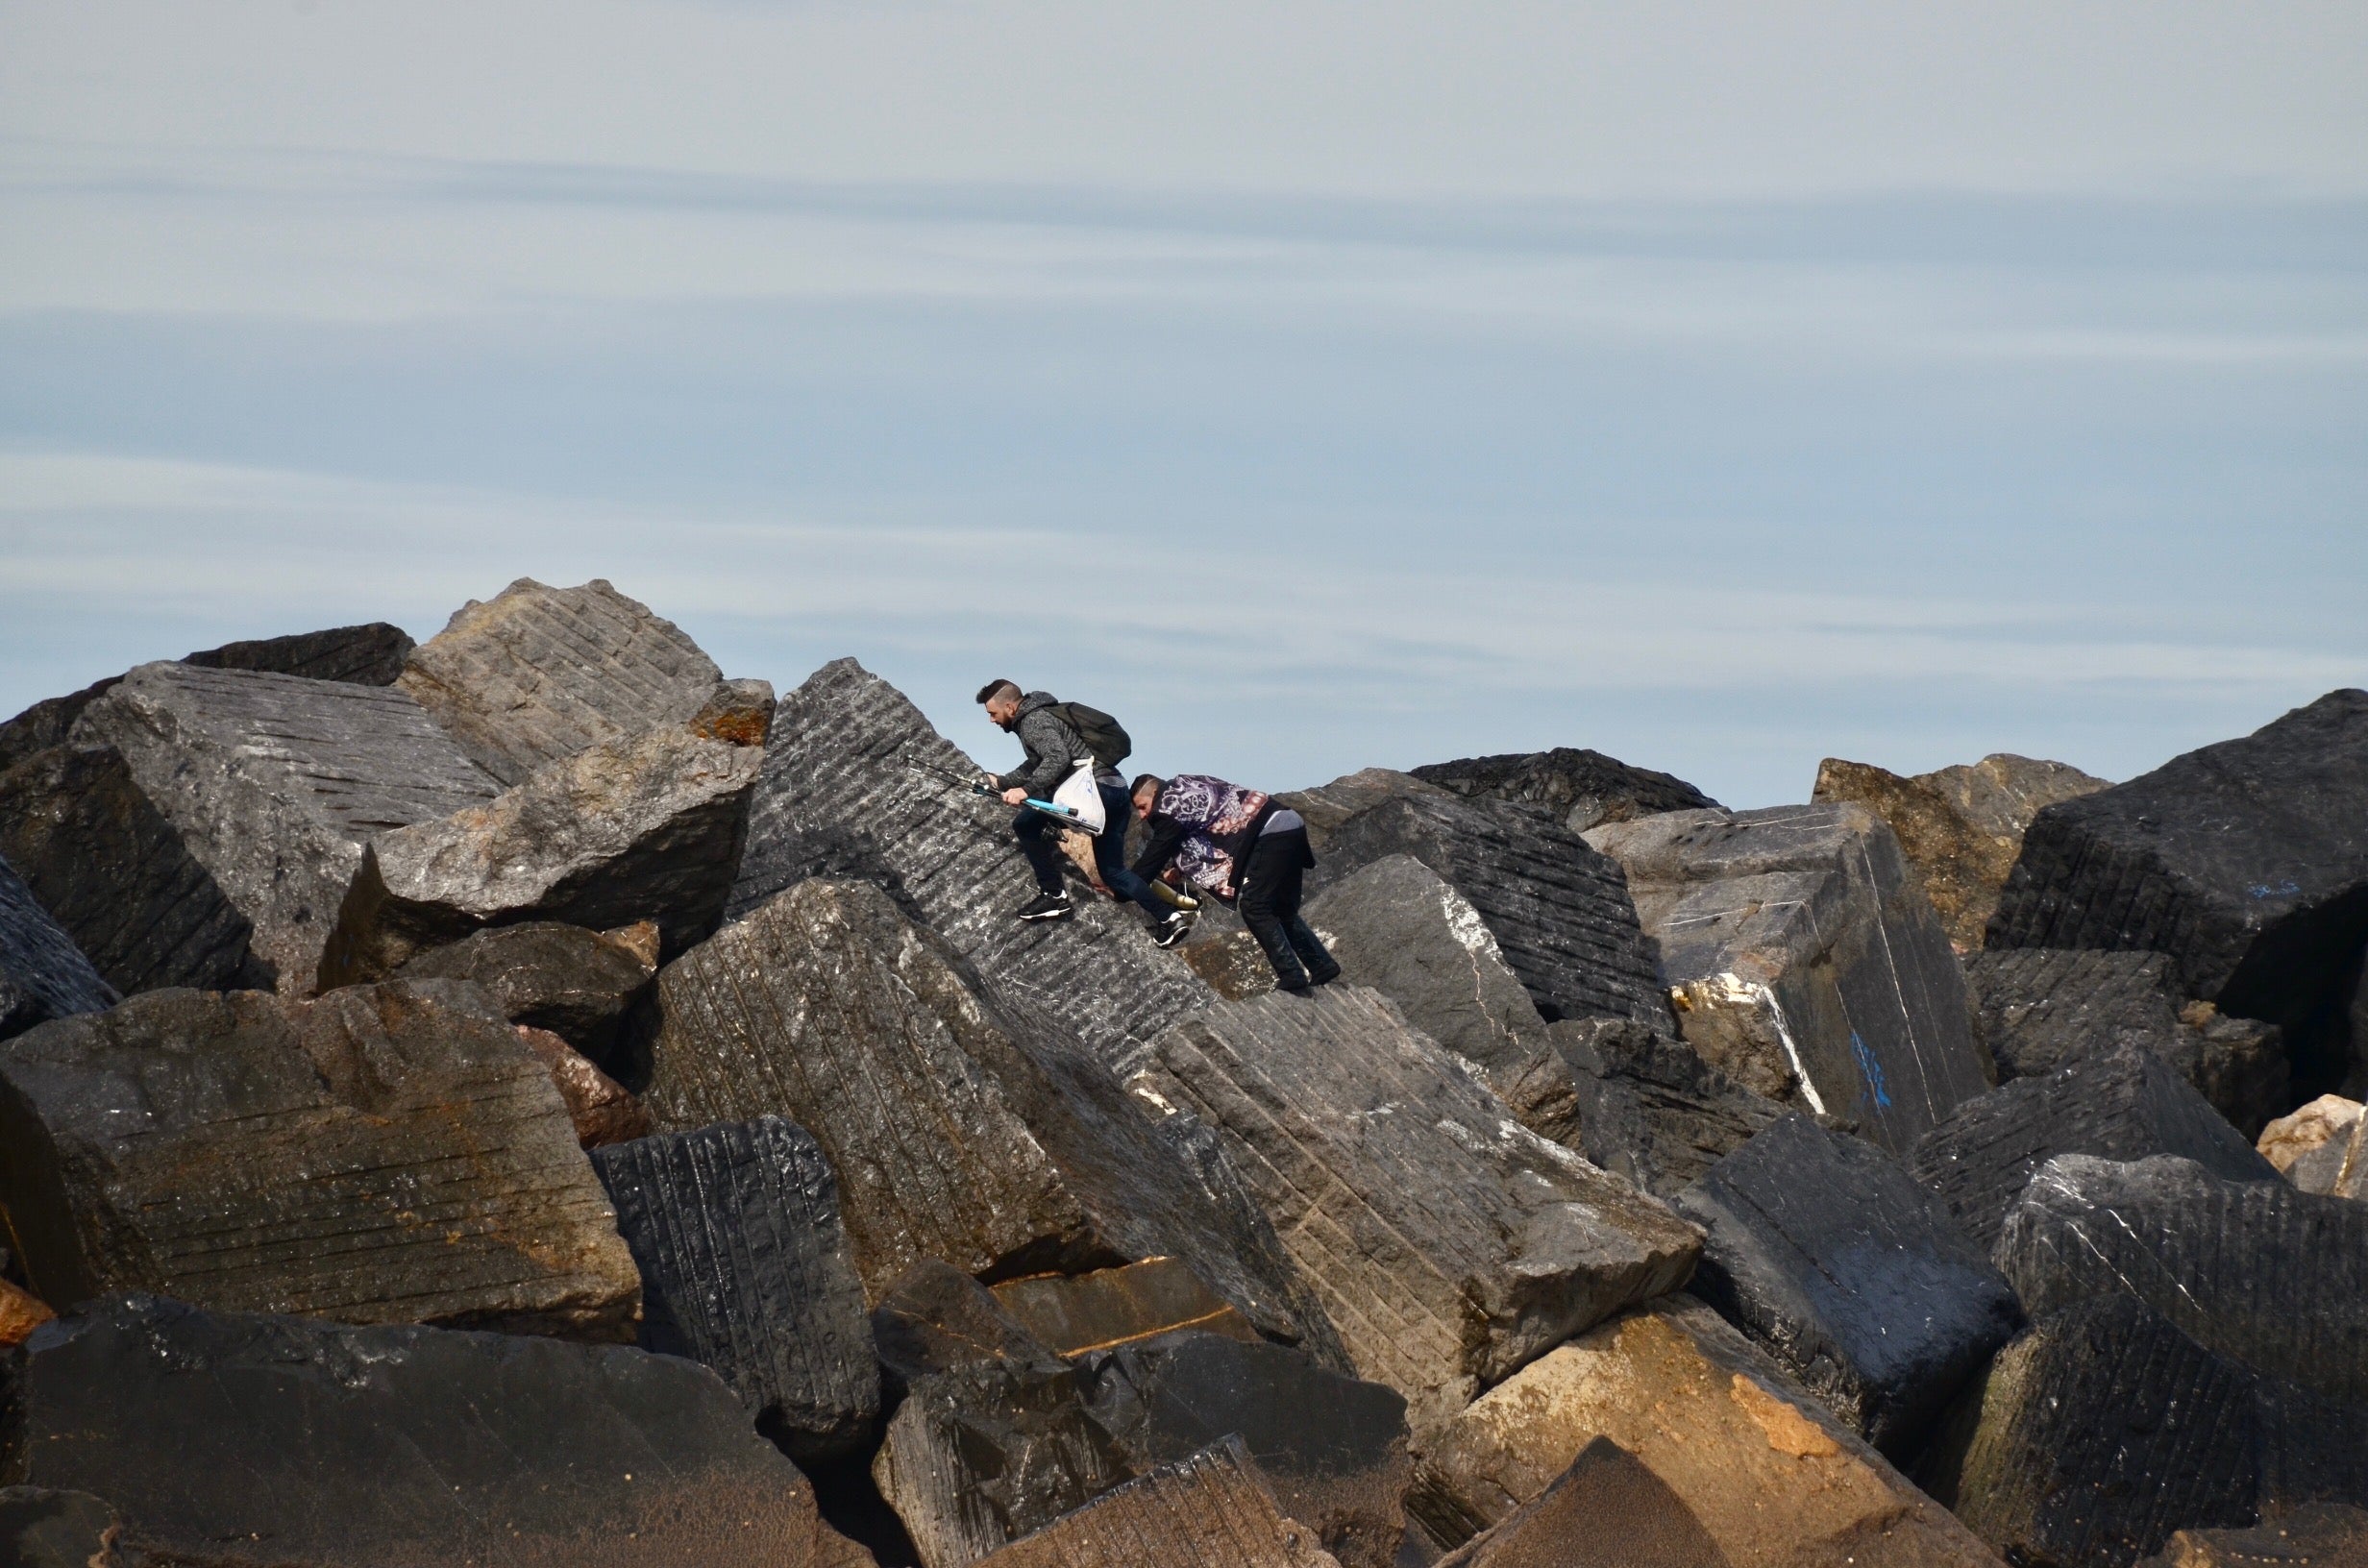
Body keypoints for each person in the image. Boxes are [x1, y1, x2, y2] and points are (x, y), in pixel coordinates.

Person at [976, 678, 1170, 926]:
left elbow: (1057, 758)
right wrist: (1003, 782)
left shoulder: (1032, 721)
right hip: (1116, 791)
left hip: (1094, 794)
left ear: (1010, 708)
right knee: (1113, 872)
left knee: (1026, 824)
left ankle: (1054, 896)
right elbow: (1036, 763)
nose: (992, 720)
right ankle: (1170, 918)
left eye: (993, 713)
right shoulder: (1043, 715)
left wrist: (1025, 790)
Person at [1128, 772, 1341, 990]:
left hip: (1271, 833)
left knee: (1255, 907)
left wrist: (1124, 884)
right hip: (1288, 823)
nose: (1143, 816)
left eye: (1143, 807)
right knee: (1281, 909)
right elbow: (1206, 823)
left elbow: (1154, 855)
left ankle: (1292, 977)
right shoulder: (1187, 786)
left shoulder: (1167, 804)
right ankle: (1322, 966)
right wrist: (1178, 867)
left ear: (1155, 793)